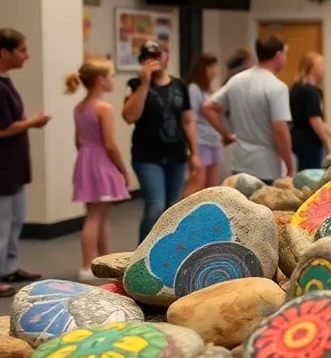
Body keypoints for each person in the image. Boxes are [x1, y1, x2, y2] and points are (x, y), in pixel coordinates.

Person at [123, 41, 201, 242]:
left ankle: (165, 252)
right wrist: (145, 84)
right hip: (147, 155)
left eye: (158, 56)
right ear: (142, 61)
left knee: (173, 207)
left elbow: (187, 120)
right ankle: (142, 254)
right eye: (149, 57)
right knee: (155, 205)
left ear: (166, 56)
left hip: (176, 154)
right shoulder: (134, 85)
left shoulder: (179, 85)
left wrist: (194, 153)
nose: (154, 61)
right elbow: (130, 116)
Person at [66, 59, 130, 278]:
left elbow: (78, 141)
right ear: (101, 81)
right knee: (96, 217)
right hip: (101, 162)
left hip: (85, 161)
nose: (113, 79)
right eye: (112, 75)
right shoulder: (103, 108)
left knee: (98, 215)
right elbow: (110, 144)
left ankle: (104, 259)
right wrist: (123, 169)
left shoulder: (80, 108)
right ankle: (86, 266)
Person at [0, 28, 50, 296]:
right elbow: (3, 129)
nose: (27, 56)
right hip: (3, 169)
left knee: (15, 220)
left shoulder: (6, 82)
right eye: (21, 50)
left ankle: (8, 266)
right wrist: (32, 122)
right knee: (1, 223)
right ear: (4, 52)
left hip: (14, 166)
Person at [204, 36, 294, 183]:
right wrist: (289, 165)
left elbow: (208, 107)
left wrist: (226, 134)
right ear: (278, 56)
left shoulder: (237, 80)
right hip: (266, 167)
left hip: (240, 164)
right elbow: (280, 131)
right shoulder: (277, 87)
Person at [183, 53, 223, 196]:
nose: (214, 71)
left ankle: (207, 217)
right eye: (210, 67)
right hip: (201, 141)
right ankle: (181, 214)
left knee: (211, 188)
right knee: (197, 184)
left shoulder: (210, 90)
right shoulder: (194, 89)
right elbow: (190, 117)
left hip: (214, 139)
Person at [290, 52, 330, 170]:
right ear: (312, 68)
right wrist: (327, 141)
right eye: (321, 65)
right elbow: (315, 119)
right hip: (310, 142)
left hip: (297, 138)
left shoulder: (296, 87)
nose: (324, 69)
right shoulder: (310, 91)